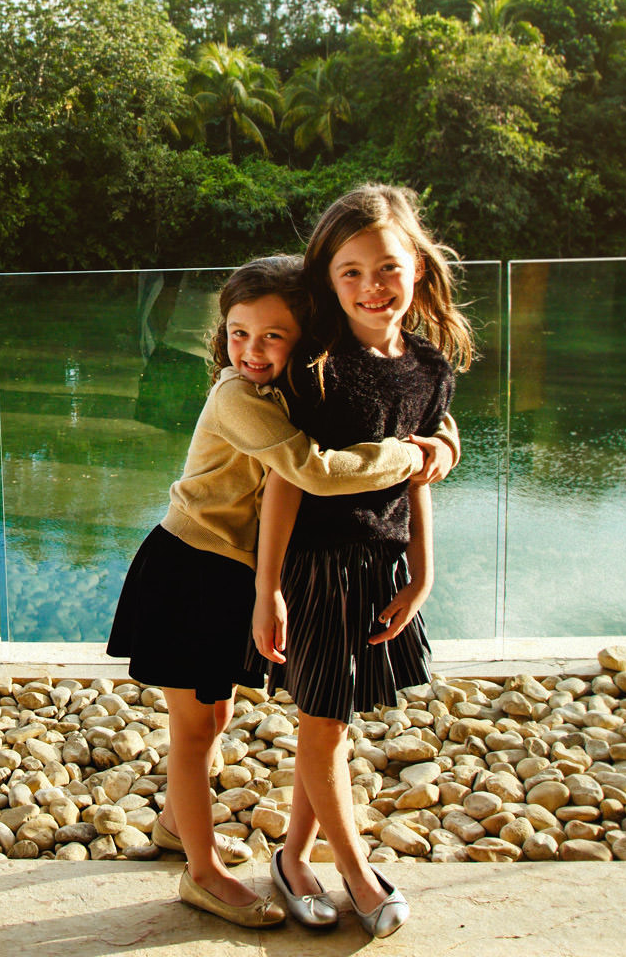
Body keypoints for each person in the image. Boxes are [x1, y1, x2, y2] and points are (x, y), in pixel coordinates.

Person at [106, 253, 459, 929]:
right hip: (189, 566)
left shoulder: (290, 391)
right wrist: (412, 455)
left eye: (272, 335)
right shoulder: (237, 396)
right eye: (238, 333)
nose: (252, 350)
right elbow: (312, 470)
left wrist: (444, 434)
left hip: (230, 572)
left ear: (302, 338)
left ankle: (180, 829)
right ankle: (202, 874)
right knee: (190, 727)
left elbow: (390, 403)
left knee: (215, 717)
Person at [253, 185, 474, 938]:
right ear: (327, 278)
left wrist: (423, 571)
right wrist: (268, 587)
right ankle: (357, 874)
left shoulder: (429, 369)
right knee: (323, 726)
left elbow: (417, 475)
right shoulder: (318, 367)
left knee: (333, 723)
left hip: (378, 569)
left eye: (386, 268)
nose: (370, 288)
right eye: (349, 273)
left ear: (418, 266)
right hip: (314, 567)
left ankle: (290, 861)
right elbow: (285, 480)